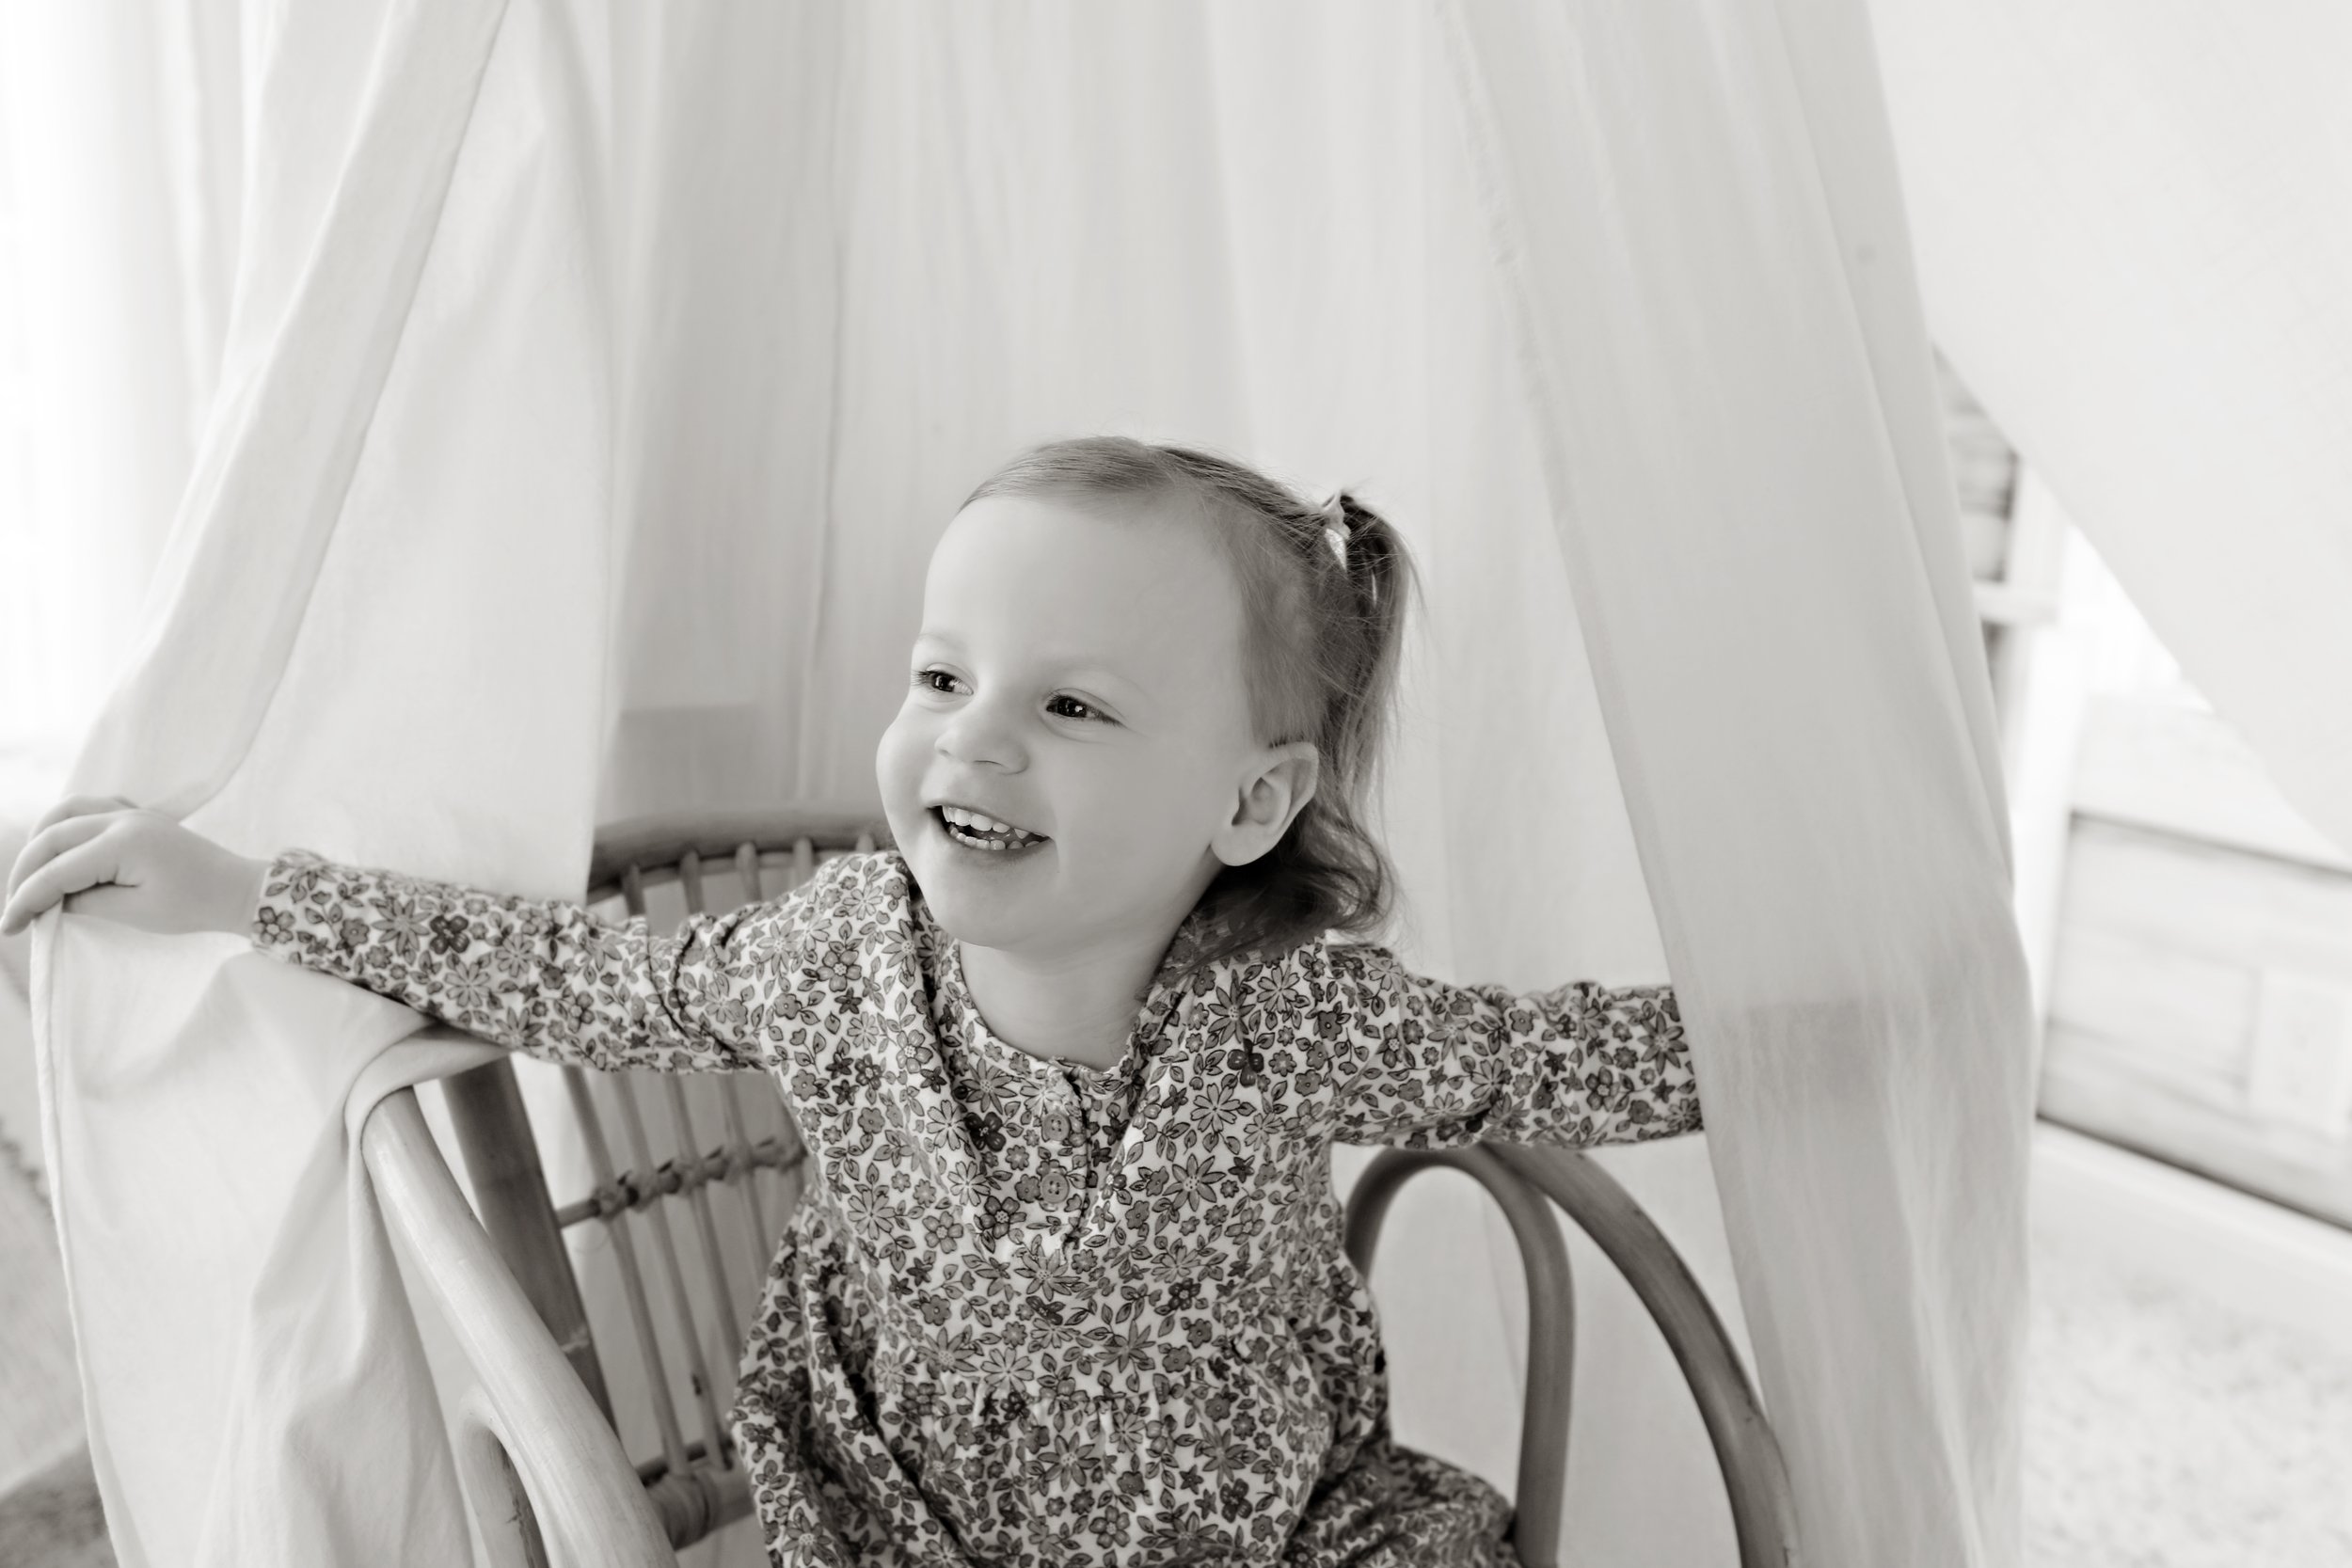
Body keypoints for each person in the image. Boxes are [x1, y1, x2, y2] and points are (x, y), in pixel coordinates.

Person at [2, 436, 1702, 1566]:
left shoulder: (1298, 1019)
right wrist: (250, 894)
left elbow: (1557, 1055)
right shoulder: (841, 958)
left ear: (1248, 807)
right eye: (944, 678)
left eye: (1073, 708)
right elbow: (586, 975)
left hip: (1260, 1526)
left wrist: (1827, 1030)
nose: (973, 738)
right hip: (908, 1524)